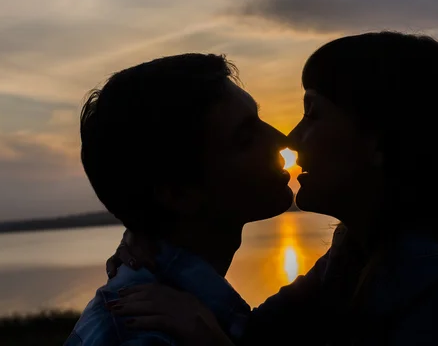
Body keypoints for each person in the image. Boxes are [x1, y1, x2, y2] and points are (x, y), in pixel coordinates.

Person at [106, 32, 438, 345]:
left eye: (314, 114)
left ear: (379, 141)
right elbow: (260, 335)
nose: (290, 138)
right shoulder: (356, 260)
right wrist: (153, 234)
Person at [65, 53, 294, 345]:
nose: (282, 140)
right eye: (245, 139)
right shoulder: (149, 336)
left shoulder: (191, 312)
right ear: (178, 194)